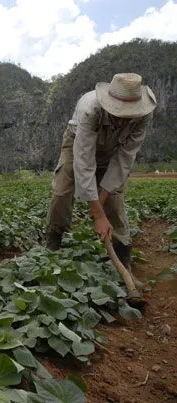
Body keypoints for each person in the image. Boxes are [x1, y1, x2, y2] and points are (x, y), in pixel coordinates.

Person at [46, 73, 157, 282]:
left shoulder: (143, 116)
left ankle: (123, 260)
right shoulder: (91, 109)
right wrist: (97, 214)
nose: (124, 117)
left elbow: (124, 160)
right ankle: (53, 246)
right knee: (61, 192)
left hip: (112, 150)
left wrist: (101, 205)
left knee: (114, 203)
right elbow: (84, 162)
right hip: (77, 142)